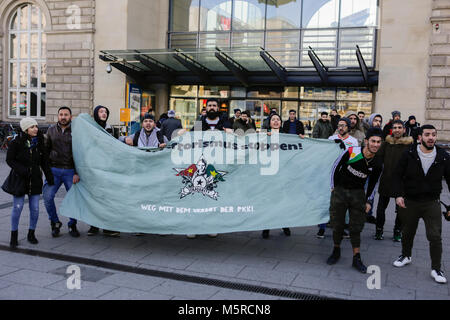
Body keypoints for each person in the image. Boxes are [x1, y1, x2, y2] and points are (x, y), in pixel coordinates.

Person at [392, 125, 450, 284]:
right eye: (427, 135)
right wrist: (398, 195)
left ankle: (436, 268)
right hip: (410, 201)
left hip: (432, 202)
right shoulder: (409, 154)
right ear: (420, 138)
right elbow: (397, 175)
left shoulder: (443, 156)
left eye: (433, 135)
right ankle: (406, 255)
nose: (431, 137)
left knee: (435, 236)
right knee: (408, 232)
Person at [326, 127, 383, 273]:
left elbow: (373, 184)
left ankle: (356, 257)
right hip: (340, 192)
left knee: (356, 227)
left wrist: (369, 201)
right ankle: (336, 250)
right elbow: (335, 166)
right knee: (337, 224)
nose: (376, 144)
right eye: (373, 141)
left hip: (358, 194)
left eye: (379, 142)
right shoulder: (352, 151)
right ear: (366, 141)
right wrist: (333, 187)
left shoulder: (377, 163)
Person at [5, 118, 54, 248]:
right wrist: (22, 170)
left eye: (36, 126)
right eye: (32, 127)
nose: (36, 129)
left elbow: (44, 161)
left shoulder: (39, 142)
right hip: (20, 179)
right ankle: (14, 235)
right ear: (25, 129)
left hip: (36, 179)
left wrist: (49, 177)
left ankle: (31, 233)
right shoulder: (16, 142)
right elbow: (9, 160)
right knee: (18, 207)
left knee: (35, 208)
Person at [43, 106, 81, 238]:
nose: (63, 117)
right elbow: (46, 151)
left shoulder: (76, 131)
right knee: (47, 197)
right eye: (61, 114)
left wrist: (77, 172)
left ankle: (72, 224)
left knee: (73, 199)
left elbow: (79, 153)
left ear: (71, 116)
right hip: (54, 170)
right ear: (58, 116)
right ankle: (55, 223)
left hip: (70, 170)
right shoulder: (51, 130)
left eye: (66, 114)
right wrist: (47, 171)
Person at [317, 117, 357, 239]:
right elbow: (324, 155)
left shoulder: (353, 141)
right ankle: (322, 228)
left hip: (345, 176)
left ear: (348, 127)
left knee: (343, 203)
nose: (341, 127)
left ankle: (342, 228)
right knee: (327, 201)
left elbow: (354, 158)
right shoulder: (331, 139)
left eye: (344, 125)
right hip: (331, 174)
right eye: (339, 125)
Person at [374, 120, 413, 241]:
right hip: (386, 180)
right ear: (392, 129)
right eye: (395, 127)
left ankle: (397, 232)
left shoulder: (409, 145)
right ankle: (379, 230)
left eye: (399, 127)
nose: (397, 130)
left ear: (404, 130)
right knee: (381, 209)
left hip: (401, 183)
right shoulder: (386, 143)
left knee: (401, 210)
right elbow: (379, 158)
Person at [87, 105, 121, 237]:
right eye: (101, 111)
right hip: (93, 167)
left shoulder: (111, 129)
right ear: (96, 114)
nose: (104, 114)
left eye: (106, 112)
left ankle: (107, 227)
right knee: (94, 197)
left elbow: (117, 146)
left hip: (108, 167)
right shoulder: (90, 128)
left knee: (107, 198)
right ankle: (94, 226)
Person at [262, 113, 292, 239]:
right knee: (267, 201)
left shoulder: (287, 137)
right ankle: (266, 227)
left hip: (282, 174)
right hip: (268, 174)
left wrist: (302, 139)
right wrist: (264, 135)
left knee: (282, 201)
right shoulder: (263, 136)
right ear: (269, 123)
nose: (275, 121)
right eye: (273, 119)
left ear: (281, 123)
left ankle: (284, 223)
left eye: (278, 120)